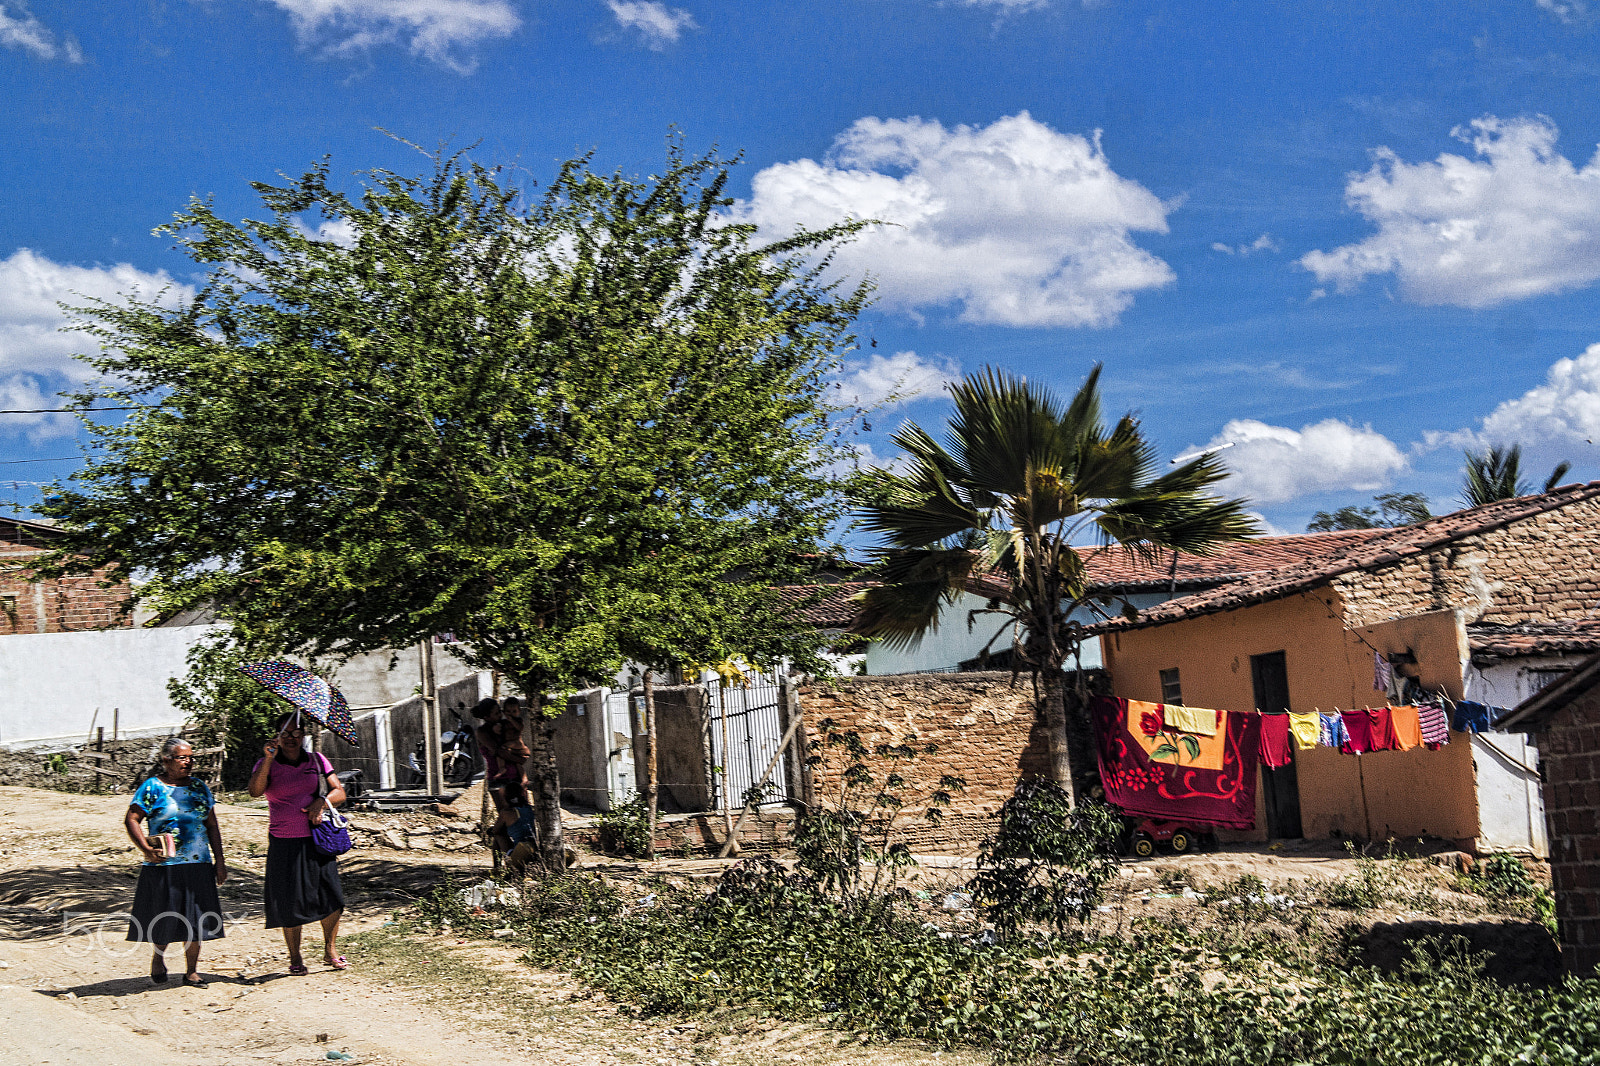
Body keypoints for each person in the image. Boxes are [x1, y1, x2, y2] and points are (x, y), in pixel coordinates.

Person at [124, 736, 228, 988]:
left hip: (198, 863)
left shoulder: (199, 788)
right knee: (165, 916)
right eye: (183, 757)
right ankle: (158, 959)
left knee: (197, 918)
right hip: (164, 865)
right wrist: (146, 849)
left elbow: (211, 825)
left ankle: (192, 970)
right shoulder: (152, 788)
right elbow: (132, 819)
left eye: (191, 757)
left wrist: (220, 861)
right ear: (166, 760)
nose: (189, 762)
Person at [248, 713, 348, 975]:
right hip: (284, 842)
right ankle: (295, 957)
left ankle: (330, 950)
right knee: (289, 901)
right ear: (276, 737)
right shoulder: (265, 762)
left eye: (296, 733)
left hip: (318, 840)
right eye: (285, 733)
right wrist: (269, 758)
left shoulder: (316, 760)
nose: (291, 738)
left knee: (332, 896)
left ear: (303, 735)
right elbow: (255, 791)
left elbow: (339, 791)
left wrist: (321, 802)